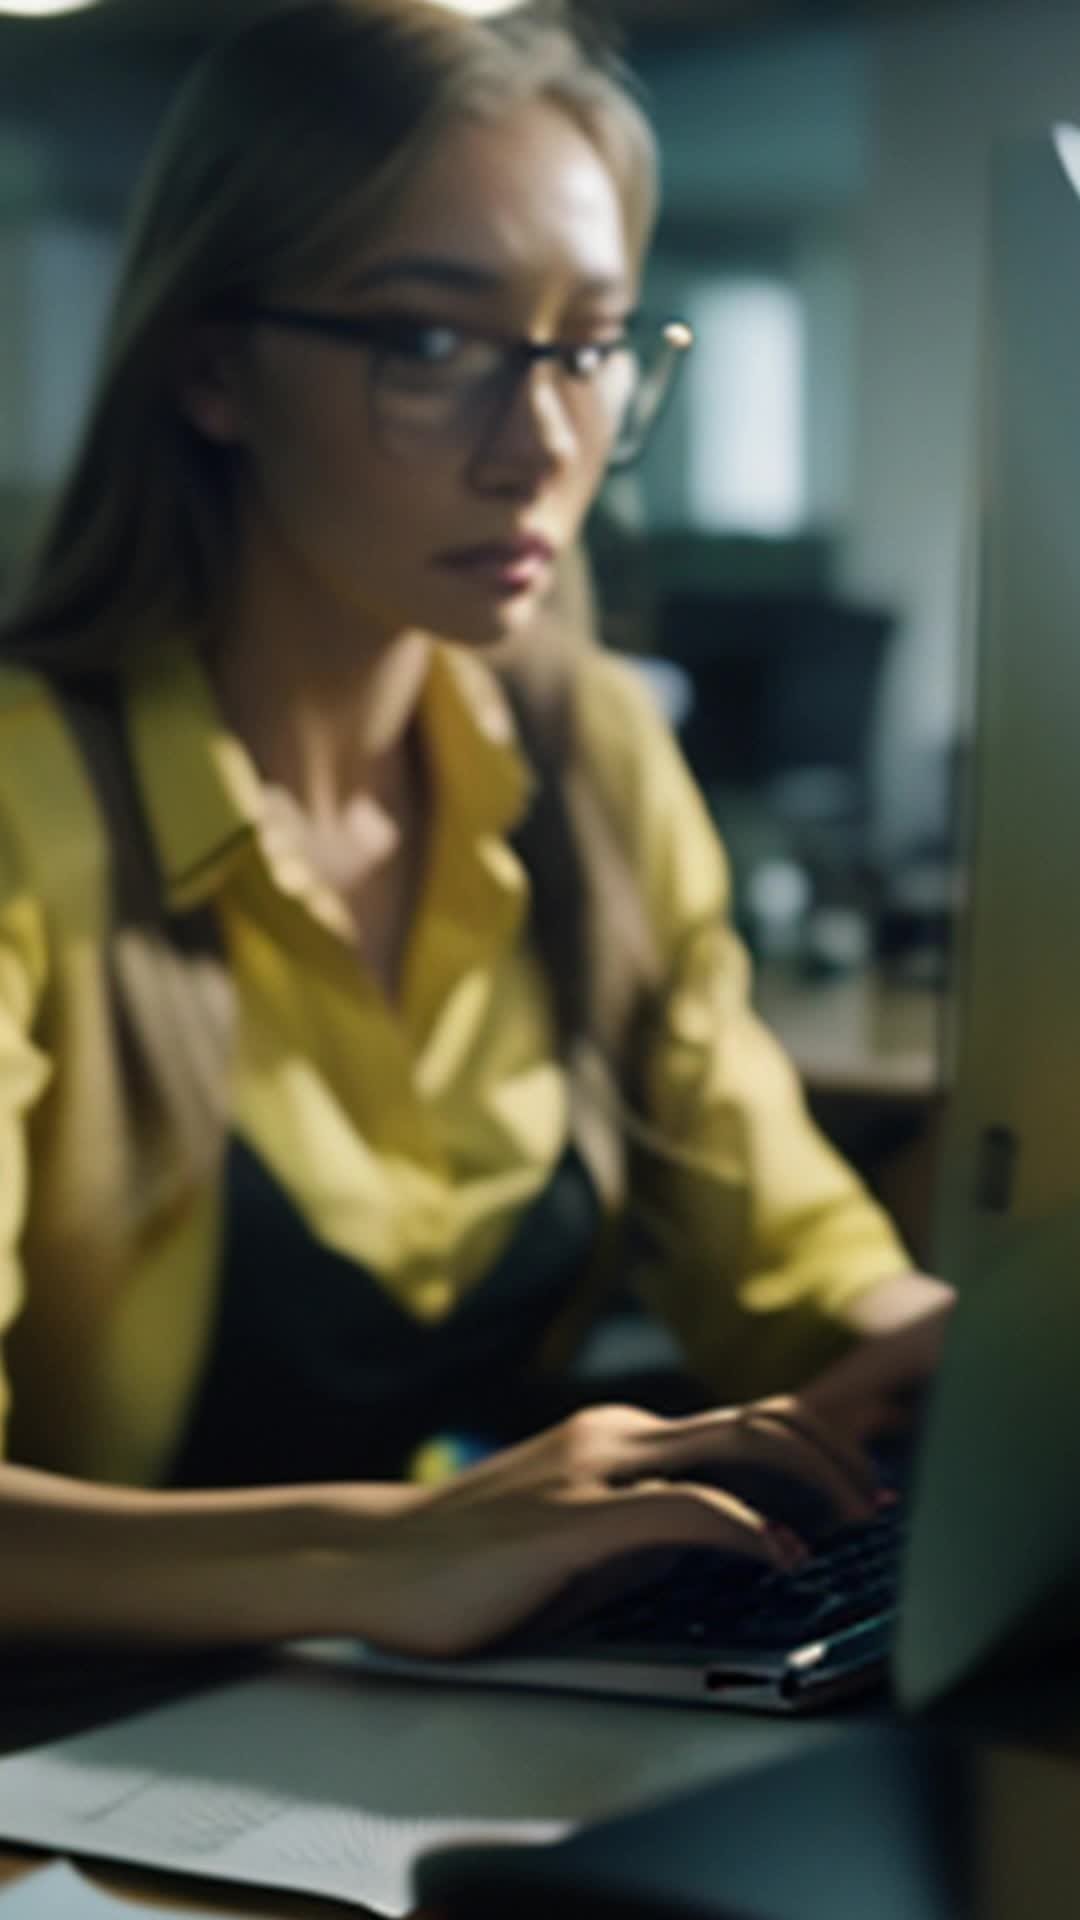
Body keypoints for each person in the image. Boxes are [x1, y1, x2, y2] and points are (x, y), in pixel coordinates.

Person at [0, 0, 950, 1657]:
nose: (540, 446)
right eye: (427, 347)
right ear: (212, 368)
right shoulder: (29, 806)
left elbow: (789, 1262)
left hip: (442, 1738)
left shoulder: (588, 760)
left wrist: (960, 1356)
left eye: (587, 346)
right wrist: (387, 1557)